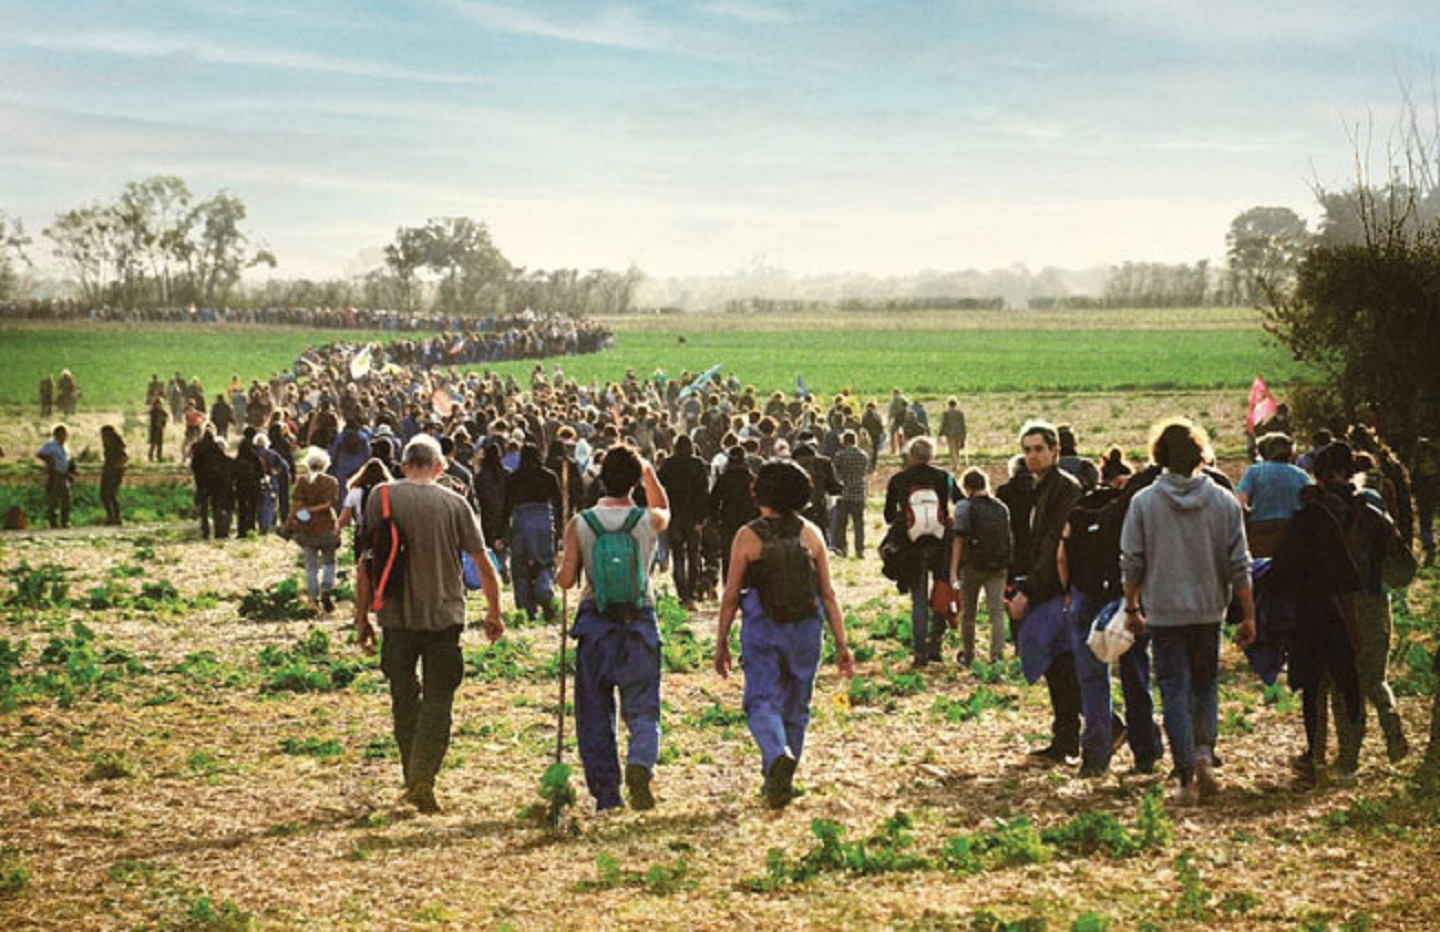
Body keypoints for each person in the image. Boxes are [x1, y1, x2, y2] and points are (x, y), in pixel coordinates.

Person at [355, 434, 504, 815]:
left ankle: (412, 776)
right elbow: (483, 564)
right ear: (439, 468)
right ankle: (423, 778)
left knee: (403, 699)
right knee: (439, 700)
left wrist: (361, 620)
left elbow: (365, 564)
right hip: (444, 617)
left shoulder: (380, 498)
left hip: (396, 617)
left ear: (404, 465)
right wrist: (494, 612)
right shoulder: (455, 503)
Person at [1120, 418, 1255, 805]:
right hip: (1209, 610)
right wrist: (1248, 614)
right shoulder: (1223, 501)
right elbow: (1239, 563)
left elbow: (1132, 561)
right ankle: (1203, 753)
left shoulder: (1144, 502)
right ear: (1200, 454)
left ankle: (1183, 774)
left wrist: (1132, 605)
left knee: (1174, 688)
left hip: (1164, 612)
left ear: (1159, 455)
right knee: (1205, 684)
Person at [714, 460, 855, 808]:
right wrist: (842, 642)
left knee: (762, 700)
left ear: (758, 493)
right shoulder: (812, 534)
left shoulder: (748, 536)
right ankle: (779, 780)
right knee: (797, 706)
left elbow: (731, 595)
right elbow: (828, 593)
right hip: (807, 627)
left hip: (764, 626)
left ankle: (777, 755)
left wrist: (721, 643)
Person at [555, 445, 671, 812]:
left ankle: (607, 795)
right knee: (643, 706)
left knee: (594, 712)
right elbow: (666, 509)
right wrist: (649, 473)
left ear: (602, 478)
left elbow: (566, 579)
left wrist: (562, 560)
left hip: (596, 623)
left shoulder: (581, 522)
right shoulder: (648, 520)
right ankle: (640, 763)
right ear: (634, 481)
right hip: (639, 619)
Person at [1006, 420, 1083, 763]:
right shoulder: (1042, 487)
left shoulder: (1064, 488)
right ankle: (1066, 739)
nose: (1032, 456)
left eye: (1039, 449)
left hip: (1058, 588)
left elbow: (1055, 546)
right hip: (1049, 586)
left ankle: (1097, 729)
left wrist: (1029, 591)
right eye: (1027, 450)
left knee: (1064, 666)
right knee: (1059, 666)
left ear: (1056, 451)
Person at [883, 436, 952, 666]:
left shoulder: (899, 479)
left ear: (910, 456)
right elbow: (961, 502)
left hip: (911, 547)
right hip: (941, 544)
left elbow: (888, 516)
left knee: (919, 600)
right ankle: (936, 645)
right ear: (932, 456)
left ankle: (920, 652)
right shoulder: (944, 477)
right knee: (941, 593)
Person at [949, 467, 1011, 666]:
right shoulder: (1001, 507)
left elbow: (958, 540)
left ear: (966, 487)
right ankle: (997, 656)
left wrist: (953, 570)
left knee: (968, 614)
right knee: (996, 614)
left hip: (972, 566)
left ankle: (968, 654)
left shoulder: (964, 507)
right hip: (998, 566)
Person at [504, 443, 562, 622]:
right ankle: (544, 591)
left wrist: (503, 531)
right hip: (544, 520)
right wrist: (560, 530)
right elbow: (559, 504)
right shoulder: (549, 476)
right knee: (545, 561)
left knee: (521, 566)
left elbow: (506, 506)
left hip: (522, 521)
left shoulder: (514, 477)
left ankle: (526, 606)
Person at [1236, 432, 1312, 558]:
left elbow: (1240, 502)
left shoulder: (1254, 471)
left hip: (1262, 531)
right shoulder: (1301, 475)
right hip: (1293, 532)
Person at [657, 433, 711, 606]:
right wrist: (703, 517)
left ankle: (682, 594)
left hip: (674, 516)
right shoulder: (698, 464)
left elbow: (660, 486)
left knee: (678, 556)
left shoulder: (669, 464)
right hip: (693, 516)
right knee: (694, 555)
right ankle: (692, 593)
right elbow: (704, 492)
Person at [289, 447, 341, 613]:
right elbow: (329, 504)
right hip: (326, 525)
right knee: (329, 562)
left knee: (311, 566)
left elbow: (297, 505)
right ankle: (326, 589)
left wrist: (306, 517)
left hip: (308, 529)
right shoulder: (332, 482)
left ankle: (312, 598)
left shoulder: (302, 482)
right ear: (325, 464)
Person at [830, 429, 869, 558]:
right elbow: (864, 472)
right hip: (859, 491)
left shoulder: (840, 455)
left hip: (844, 492)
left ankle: (842, 548)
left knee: (842, 523)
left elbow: (836, 474)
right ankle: (860, 549)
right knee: (859, 523)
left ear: (844, 440)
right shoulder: (863, 455)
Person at [36, 424, 73, 529]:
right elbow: (40, 454)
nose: (64, 436)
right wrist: (50, 460)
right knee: (54, 498)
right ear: (57, 434)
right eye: (62, 434)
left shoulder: (66, 446)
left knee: (67, 498)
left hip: (64, 474)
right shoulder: (50, 445)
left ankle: (65, 521)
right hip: (55, 473)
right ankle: (53, 522)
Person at [1412, 436, 1438, 566]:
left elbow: (1414, 481)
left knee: (1425, 519)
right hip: (1430, 495)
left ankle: (1427, 542)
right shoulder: (1433, 463)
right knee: (1428, 518)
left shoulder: (1417, 464)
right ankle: (1430, 541)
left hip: (1423, 495)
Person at [99, 425, 128, 526]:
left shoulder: (116, 445)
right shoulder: (109, 445)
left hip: (114, 472)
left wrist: (115, 467)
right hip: (110, 471)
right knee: (107, 495)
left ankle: (114, 517)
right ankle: (112, 516)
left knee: (109, 494)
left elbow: (124, 458)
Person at [938, 397, 968, 471]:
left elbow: (943, 424)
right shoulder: (960, 413)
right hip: (959, 433)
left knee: (952, 450)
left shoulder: (946, 413)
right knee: (957, 450)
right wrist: (964, 434)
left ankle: (955, 465)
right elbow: (963, 424)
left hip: (950, 434)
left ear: (948, 404)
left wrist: (940, 434)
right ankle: (956, 464)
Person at [148, 396, 169, 462]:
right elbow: (153, 420)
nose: (159, 406)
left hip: (160, 429)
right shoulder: (153, 412)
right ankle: (150, 456)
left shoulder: (163, 412)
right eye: (158, 404)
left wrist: (163, 423)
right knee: (153, 443)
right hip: (154, 429)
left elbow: (166, 417)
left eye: (161, 404)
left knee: (160, 444)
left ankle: (159, 456)